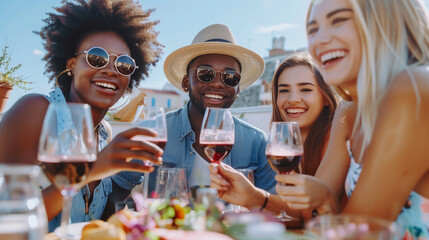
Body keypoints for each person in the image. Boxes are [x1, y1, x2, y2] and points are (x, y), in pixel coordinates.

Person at [0, 0, 163, 231]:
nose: (111, 69)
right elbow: (7, 222)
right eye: (97, 57)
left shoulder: (103, 133)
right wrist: (89, 172)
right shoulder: (36, 111)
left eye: (124, 64)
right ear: (72, 63)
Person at [276, 0, 429, 238]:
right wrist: (324, 202)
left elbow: (358, 231)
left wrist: (326, 202)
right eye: (313, 30)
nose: (319, 40)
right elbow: (317, 215)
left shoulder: (414, 87)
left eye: (338, 20)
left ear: (385, 23)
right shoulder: (349, 110)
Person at [112, 24, 277, 196]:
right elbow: (117, 189)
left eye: (230, 77)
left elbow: (273, 206)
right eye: (205, 73)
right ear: (186, 83)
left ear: (238, 89)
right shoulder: (153, 132)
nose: (218, 83)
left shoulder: (257, 143)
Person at [209, 51, 337, 222]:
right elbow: (295, 214)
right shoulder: (284, 147)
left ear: (326, 97)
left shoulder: (335, 139)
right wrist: (251, 197)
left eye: (305, 89)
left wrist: (254, 198)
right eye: (284, 90)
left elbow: (311, 216)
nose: (293, 99)